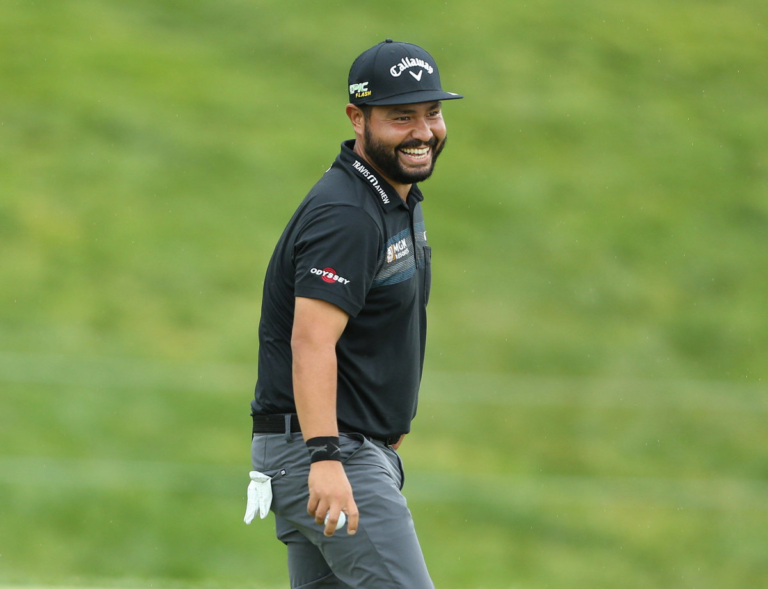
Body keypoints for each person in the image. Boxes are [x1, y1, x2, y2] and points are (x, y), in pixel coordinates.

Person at [247, 39, 462, 589]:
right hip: (329, 454)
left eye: (431, 113)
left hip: (346, 453)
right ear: (357, 118)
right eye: (400, 117)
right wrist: (326, 459)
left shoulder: (395, 199)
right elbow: (310, 341)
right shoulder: (348, 214)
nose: (423, 132)